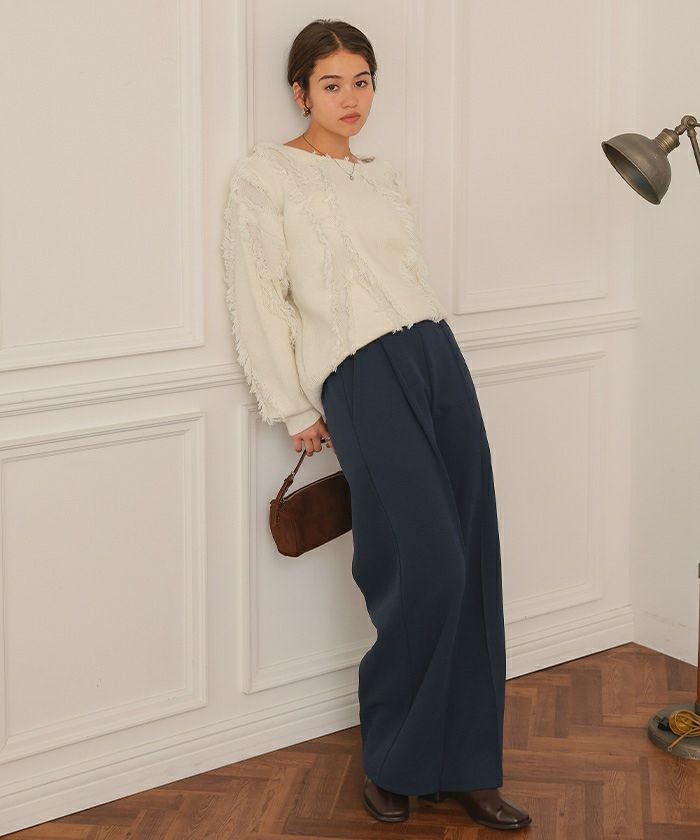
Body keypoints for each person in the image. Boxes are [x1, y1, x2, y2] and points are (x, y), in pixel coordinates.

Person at [221, 18, 532, 832]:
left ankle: (469, 767)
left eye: (362, 81)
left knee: (472, 560)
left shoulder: (383, 177)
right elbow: (259, 292)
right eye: (332, 83)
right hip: (358, 372)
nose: (350, 98)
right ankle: (395, 761)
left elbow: (406, 275)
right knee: (424, 565)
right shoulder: (266, 176)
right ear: (301, 92)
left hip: (436, 358)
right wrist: (294, 404)